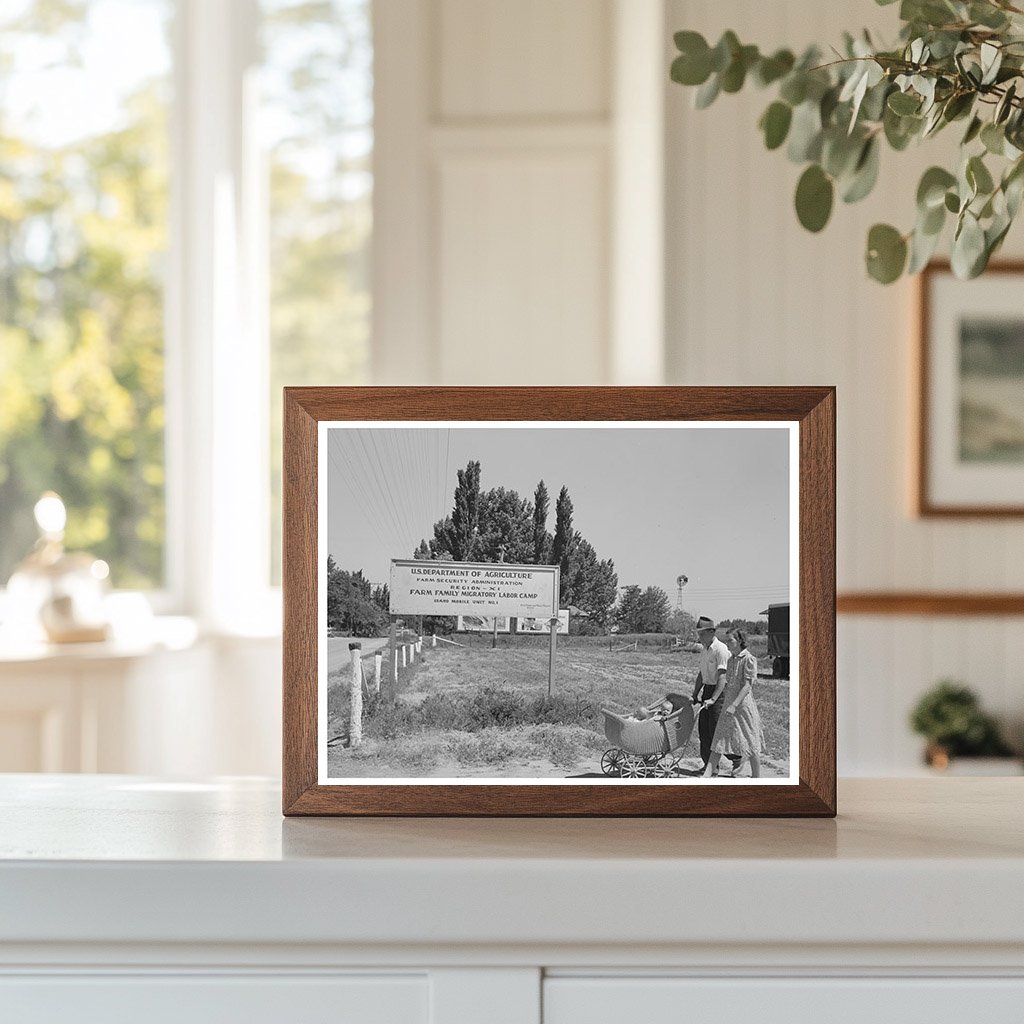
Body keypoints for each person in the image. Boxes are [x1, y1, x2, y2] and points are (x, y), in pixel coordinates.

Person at [703, 628, 765, 778]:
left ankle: (757, 777)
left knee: (750, 741)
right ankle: (706, 776)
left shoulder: (748, 659)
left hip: (742, 706)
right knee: (718, 739)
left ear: (740, 641)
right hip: (728, 703)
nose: (727, 643)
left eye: (730, 640)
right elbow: (725, 682)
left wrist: (734, 705)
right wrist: (713, 699)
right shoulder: (730, 660)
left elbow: (747, 686)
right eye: (726, 640)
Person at [690, 615, 742, 776]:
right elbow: (702, 674)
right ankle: (710, 767)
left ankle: (737, 757)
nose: (699, 636)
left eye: (702, 633)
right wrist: (695, 693)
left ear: (712, 632)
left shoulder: (721, 650)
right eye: (698, 633)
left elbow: (723, 677)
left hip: (720, 693)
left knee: (716, 732)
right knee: (704, 731)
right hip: (707, 689)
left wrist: (713, 699)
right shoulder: (705, 650)